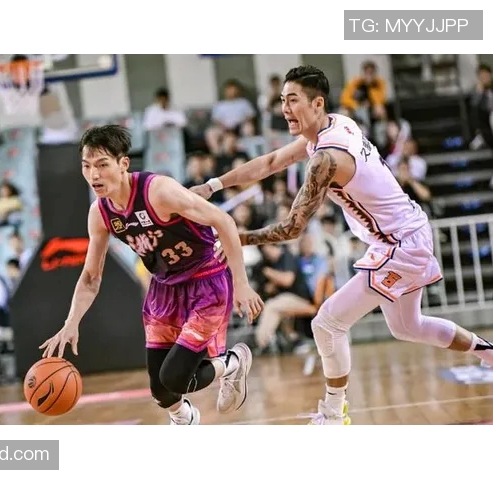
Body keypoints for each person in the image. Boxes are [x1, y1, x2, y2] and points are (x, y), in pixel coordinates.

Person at [191, 65, 493, 425]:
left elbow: (292, 228)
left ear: (317, 103)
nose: (284, 109)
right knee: (407, 327)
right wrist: (212, 186)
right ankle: (489, 353)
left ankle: (334, 414)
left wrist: (239, 237)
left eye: (293, 100)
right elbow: (271, 162)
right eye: (282, 100)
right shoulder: (337, 123)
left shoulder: (327, 158)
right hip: (403, 232)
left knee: (327, 323)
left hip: (400, 243)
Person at [40, 125, 263, 425]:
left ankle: (232, 363)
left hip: (204, 279)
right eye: (87, 166)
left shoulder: (159, 191)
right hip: (164, 287)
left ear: (123, 164)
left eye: (102, 165)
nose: (94, 175)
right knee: (161, 391)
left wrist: (242, 283)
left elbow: (223, 221)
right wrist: (71, 321)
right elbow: (91, 277)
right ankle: (185, 419)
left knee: (176, 378)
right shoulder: (100, 213)